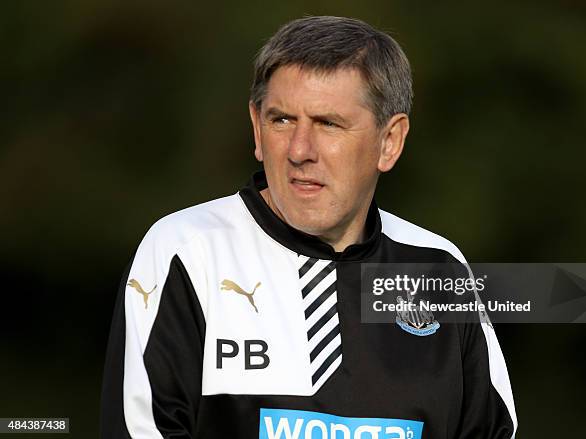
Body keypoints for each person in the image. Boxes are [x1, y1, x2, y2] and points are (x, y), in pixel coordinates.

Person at [100, 16, 517, 439]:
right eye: (281, 120)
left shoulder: (438, 268)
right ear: (256, 128)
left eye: (328, 124)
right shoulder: (186, 251)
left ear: (390, 141)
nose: (300, 150)